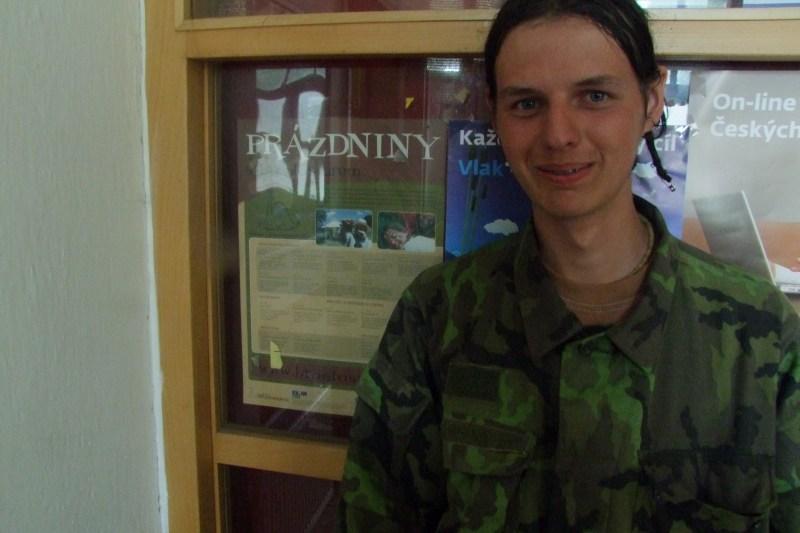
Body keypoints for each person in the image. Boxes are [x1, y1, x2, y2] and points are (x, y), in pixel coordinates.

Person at [338, 0, 800, 531]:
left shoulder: (760, 334)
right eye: (527, 103)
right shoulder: (437, 316)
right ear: (495, 114)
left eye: (595, 96)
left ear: (652, 100)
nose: (559, 134)